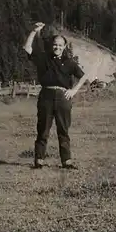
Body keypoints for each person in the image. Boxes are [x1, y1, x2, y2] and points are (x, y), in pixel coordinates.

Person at [23, 22, 85, 169]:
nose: (57, 47)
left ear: (64, 47)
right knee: (43, 129)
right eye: (55, 45)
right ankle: (39, 161)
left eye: (60, 45)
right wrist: (34, 31)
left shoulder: (69, 63)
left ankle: (67, 161)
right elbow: (27, 48)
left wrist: (73, 91)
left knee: (63, 130)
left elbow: (83, 77)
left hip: (63, 98)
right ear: (52, 46)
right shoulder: (44, 58)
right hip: (46, 96)